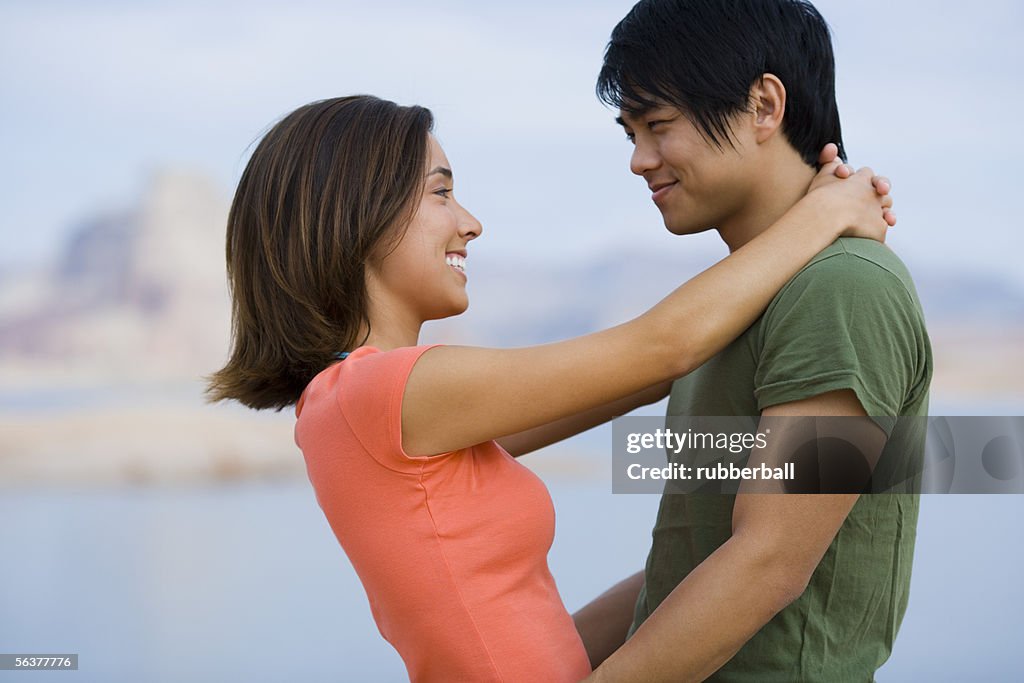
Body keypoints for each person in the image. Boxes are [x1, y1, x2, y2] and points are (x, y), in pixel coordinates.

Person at [205, 94, 894, 682]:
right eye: (442, 192)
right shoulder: (392, 392)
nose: (469, 222)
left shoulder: (352, 406)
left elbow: (653, 368)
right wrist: (826, 214)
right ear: (356, 212)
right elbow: (664, 344)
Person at [573, 1, 933, 681]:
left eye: (657, 126)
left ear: (765, 106)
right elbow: (698, 557)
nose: (638, 160)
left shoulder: (844, 286)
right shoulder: (738, 306)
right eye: (629, 133)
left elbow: (766, 564)